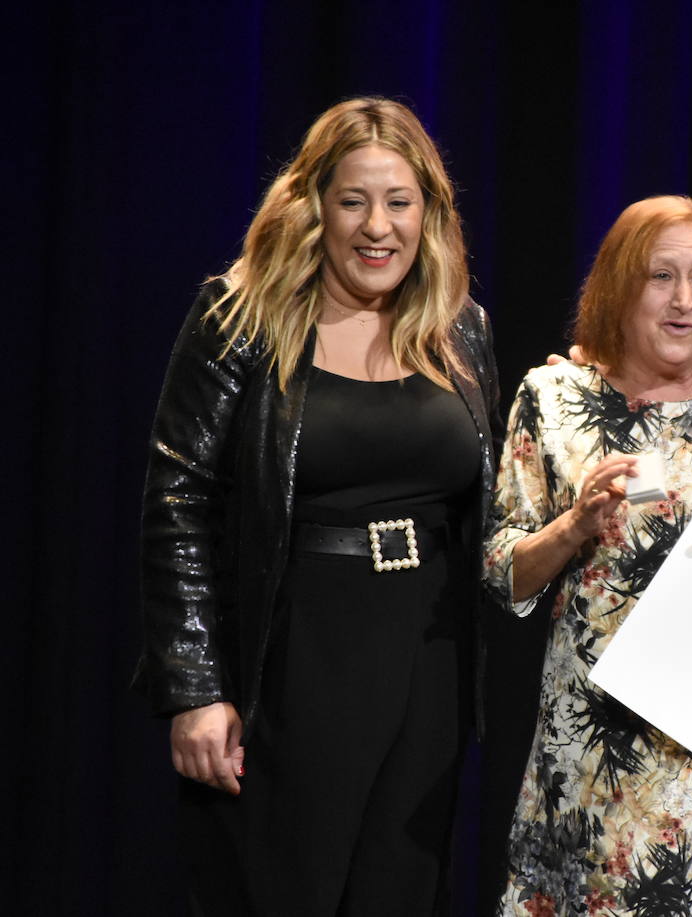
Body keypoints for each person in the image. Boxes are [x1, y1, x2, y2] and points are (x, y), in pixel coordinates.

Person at [133, 97, 501, 915]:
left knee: (399, 893)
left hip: (427, 656)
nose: (379, 227)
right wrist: (195, 685)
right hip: (293, 653)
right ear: (315, 208)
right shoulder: (239, 317)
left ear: (429, 213)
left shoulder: (462, 329)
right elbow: (177, 498)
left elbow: (494, 499)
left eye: (399, 202)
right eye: (354, 201)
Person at [485, 195, 692, 915]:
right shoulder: (553, 395)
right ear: (617, 286)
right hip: (595, 757)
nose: (683, 301)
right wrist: (574, 525)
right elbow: (502, 569)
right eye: (659, 277)